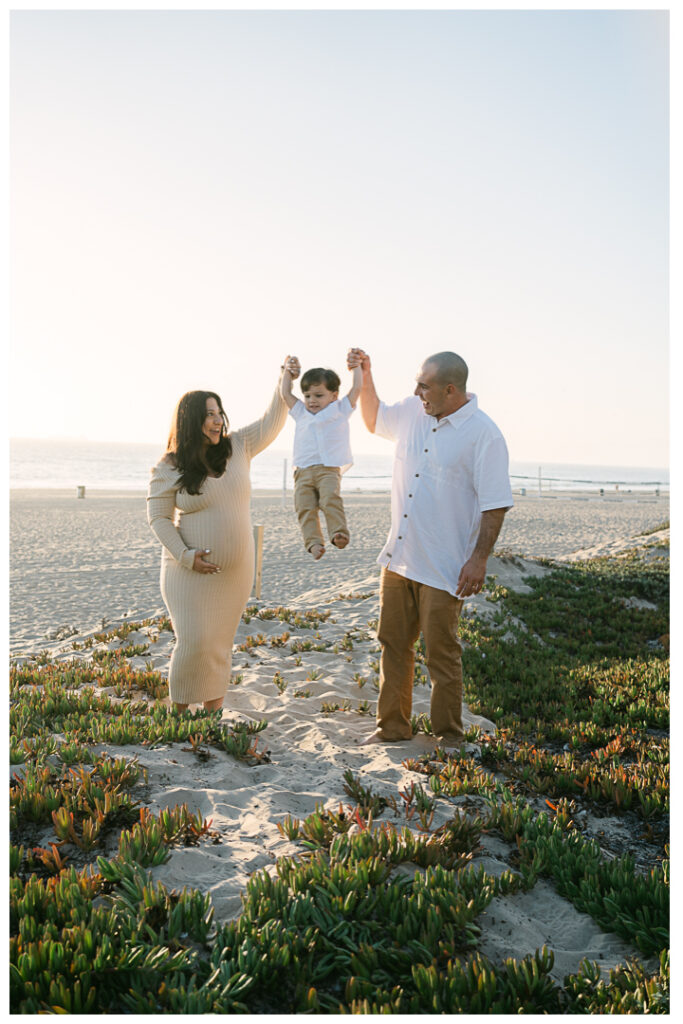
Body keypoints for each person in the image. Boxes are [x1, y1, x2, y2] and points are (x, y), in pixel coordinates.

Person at [348, 348, 513, 748]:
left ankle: (449, 737)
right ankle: (392, 728)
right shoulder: (410, 412)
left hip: (445, 564)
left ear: (450, 389)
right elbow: (373, 420)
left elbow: (495, 503)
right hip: (399, 558)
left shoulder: (484, 434)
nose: (416, 391)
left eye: (424, 385)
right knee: (393, 646)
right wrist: (365, 375)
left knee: (441, 655)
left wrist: (479, 560)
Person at [147, 360, 296, 712]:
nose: (217, 420)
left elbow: (272, 420)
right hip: (186, 572)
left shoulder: (238, 446)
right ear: (190, 421)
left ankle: (212, 713)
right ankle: (179, 712)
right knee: (194, 641)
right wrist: (187, 556)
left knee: (219, 642)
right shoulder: (169, 466)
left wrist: (285, 379)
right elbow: (158, 519)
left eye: (219, 413)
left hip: (235, 572)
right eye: (208, 414)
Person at [281, 356, 362, 559]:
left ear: (333, 396)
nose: (311, 401)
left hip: (329, 469)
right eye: (307, 396)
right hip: (302, 471)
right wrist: (287, 373)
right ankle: (314, 543)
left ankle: (338, 532)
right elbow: (284, 393)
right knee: (304, 508)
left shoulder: (340, 409)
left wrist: (356, 368)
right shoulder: (300, 412)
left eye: (318, 395)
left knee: (329, 500)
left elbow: (356, 389)